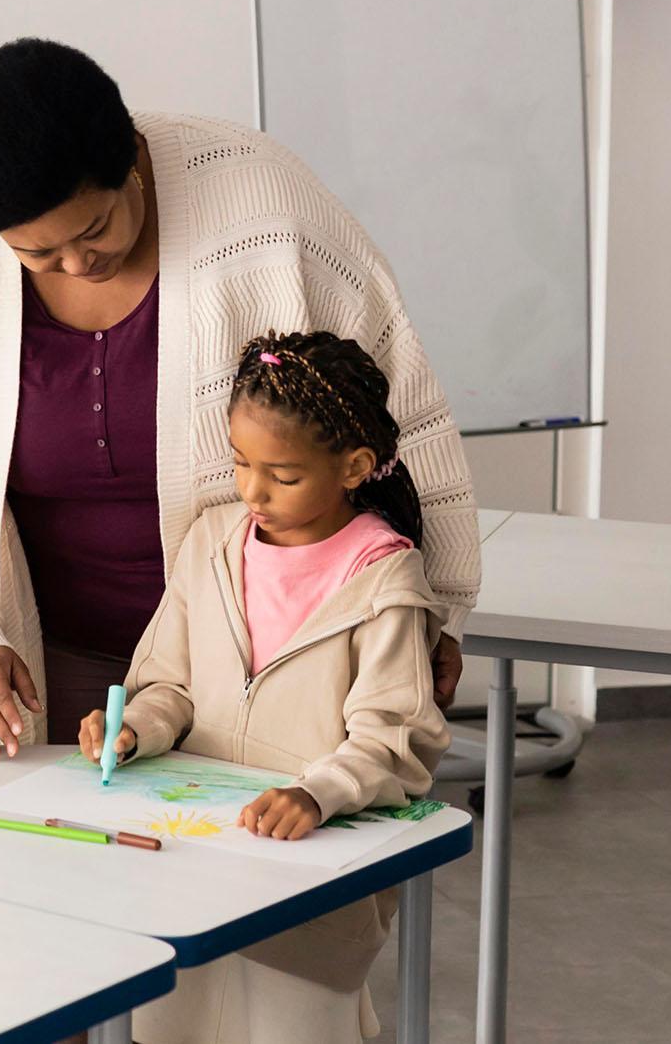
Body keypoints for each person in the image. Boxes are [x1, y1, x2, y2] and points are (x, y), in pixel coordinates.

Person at [0, 37, 478, 755]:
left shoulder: (265, 208)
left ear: (129, 156)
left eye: (93, 229)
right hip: (54, 663)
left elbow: (400, 418)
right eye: (36, 252)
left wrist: (434, 608)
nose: (75, 264)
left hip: (279, 667)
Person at [81, 331, 448, 1043]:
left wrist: (317, 793)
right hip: (194, 865)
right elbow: (170, 683)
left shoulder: (383, 581)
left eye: (281, 475)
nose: (252, 491)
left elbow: (395, 739)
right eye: (241, 463)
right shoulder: (213, 543)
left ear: (353, 467)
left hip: (307, 891)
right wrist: (137, 727)